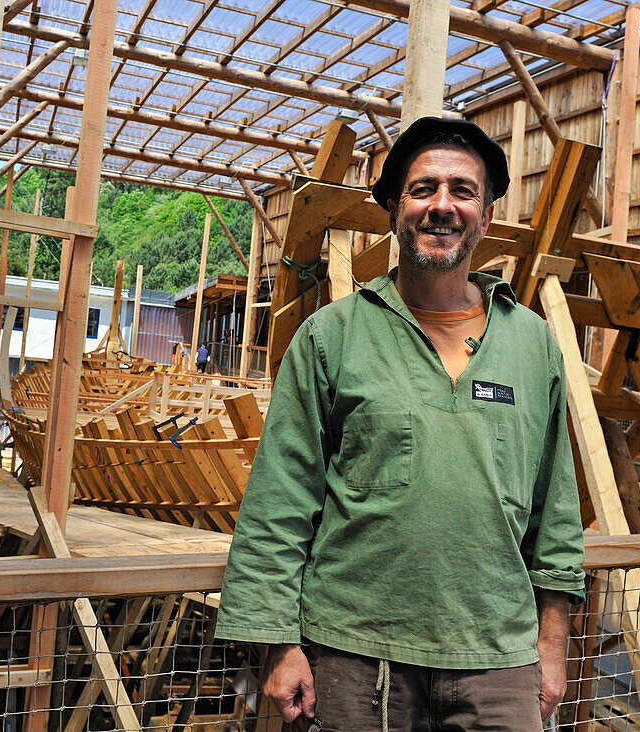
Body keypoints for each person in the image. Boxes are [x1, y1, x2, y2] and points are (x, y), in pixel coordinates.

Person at [215, 117, 585, 730]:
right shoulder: (333, 337)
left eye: (463, 191)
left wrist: (552, 644)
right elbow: (279, 499)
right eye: (423, 189)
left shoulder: (532, 343)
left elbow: (557, 509)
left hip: (497, 658)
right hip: (355, 655)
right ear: (394, 209)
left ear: (487, 216)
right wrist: (279, 645)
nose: (443, 206)